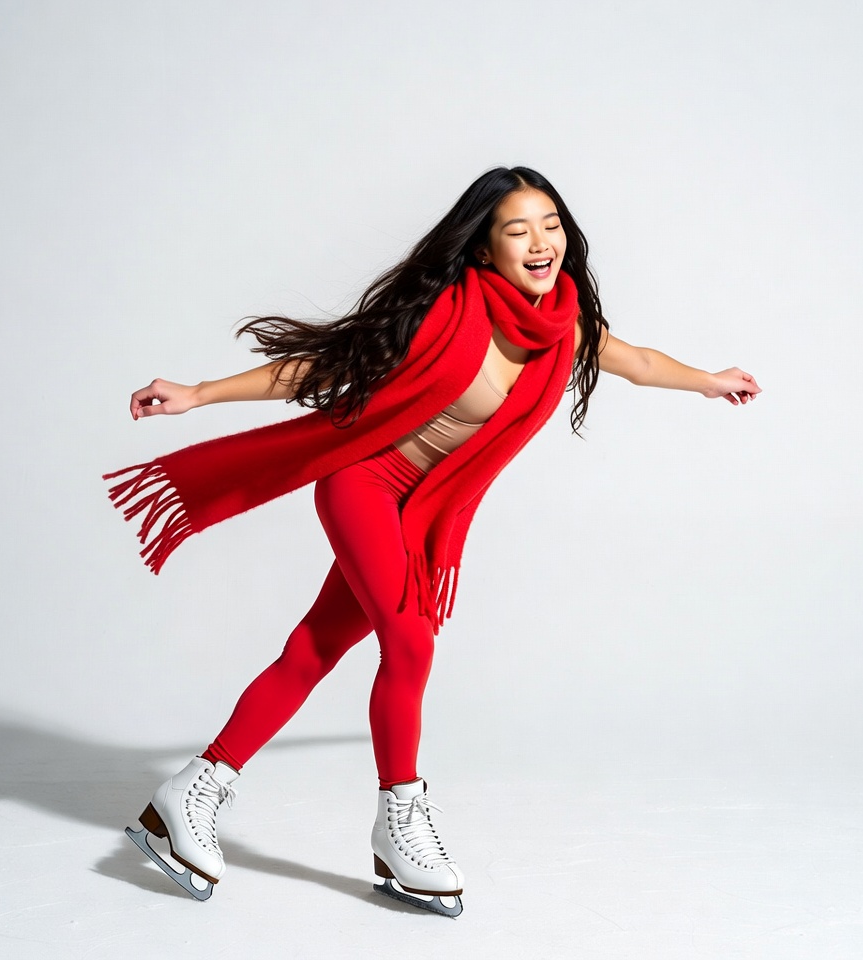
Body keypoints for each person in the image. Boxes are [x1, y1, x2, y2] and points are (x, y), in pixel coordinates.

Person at [108, 166, 759, 916]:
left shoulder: (564, 327)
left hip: (418, 511)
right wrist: (200, 393)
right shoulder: (446, 312)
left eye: (550, 224)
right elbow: (322, 367)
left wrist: (709, 379)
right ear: (485, 250)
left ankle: (190, 790)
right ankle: (399, 817)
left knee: (314, 650)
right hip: (362, 482)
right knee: (411, 643)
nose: (540, 242)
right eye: (518, 230)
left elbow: (638, 363)